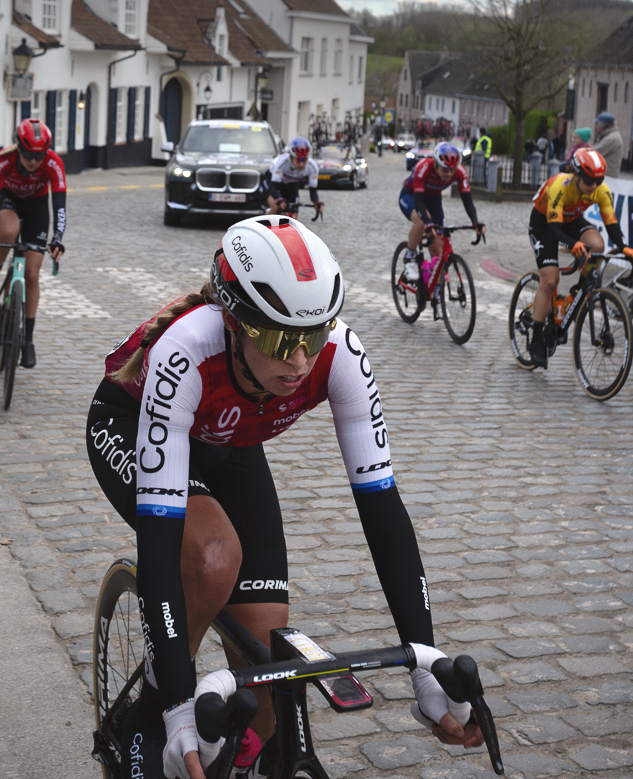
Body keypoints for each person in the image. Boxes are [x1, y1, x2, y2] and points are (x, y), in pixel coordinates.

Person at [87, 217, 485, 779]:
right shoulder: (186, 352)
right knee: (210, 556)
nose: (300, 361)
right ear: (232, 322)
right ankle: (148, 722)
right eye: (279, 339)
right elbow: (160, 538)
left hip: (230, 445)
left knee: (269, 670)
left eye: (313, 335)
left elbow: (382, 509)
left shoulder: (340, 354)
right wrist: (177, 703)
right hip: (132, 426)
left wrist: (425, 664)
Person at [527, 147, 633, 368]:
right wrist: (573, 244)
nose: (594, 185)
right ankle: (536, 338)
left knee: (597, 245)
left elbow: (612, 227)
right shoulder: (560, 186)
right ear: (576, 174)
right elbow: (554, 231)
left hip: (571, 220)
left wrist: (625, 249)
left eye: (599, 180)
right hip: (544, 224)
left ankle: (580, 289)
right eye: (588, 180)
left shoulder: (600, 191)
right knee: (549, 281)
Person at [0, 118, 66, 369]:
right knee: (8, 230)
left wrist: (58, 237)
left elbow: (59, 205)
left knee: (32, 275)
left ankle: (27, 340)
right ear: (19, 147)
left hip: (37, 207)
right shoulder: (2, 161)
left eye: (39, 155)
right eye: (28, 153)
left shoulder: (53, 164)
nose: (33, 161)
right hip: (9, 200)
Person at [399, 142, 485, 281]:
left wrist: (475, 222)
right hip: (411, 196)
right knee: (421, 223)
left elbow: (467, 201)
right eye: (445, 169)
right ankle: (410, 257)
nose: (449, 173)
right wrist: (428, 222)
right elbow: (419, 202)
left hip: (434, 199)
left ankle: (437, 294)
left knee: (439, 251)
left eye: (452, 169)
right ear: (436, 164)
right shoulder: (423, 167)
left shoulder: (460, 172)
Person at [266, 137, 323, 217]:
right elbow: (274, 187)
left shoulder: (312, 166)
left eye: (304, 160)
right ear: (291, 158)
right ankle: (261, 225)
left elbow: (313, 191)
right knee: (276, 207)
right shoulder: (283, 162)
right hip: (273, 182)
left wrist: (316, 202)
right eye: (298, 160)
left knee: (293, 215)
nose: (301, 164)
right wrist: (279, 199)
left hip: (291, 184)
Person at [593, 111, 624, 179]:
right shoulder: (608, 135)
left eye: (597, 123)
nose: (596, 126)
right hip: (605, 175)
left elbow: (595, 152)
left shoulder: (612, 138)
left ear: (603, 125)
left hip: (608, 177)